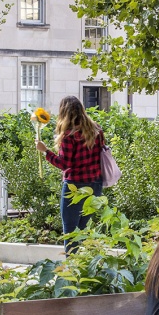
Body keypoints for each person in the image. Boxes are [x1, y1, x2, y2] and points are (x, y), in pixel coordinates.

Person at [35, 96, 105, 252]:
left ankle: (72, 272)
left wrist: (45, 151)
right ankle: (83, 267)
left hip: (74, 187)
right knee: (82, 231)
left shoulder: (69, 135)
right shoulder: (97, 130)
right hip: (95, 185)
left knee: (70, 232)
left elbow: (64, 164)